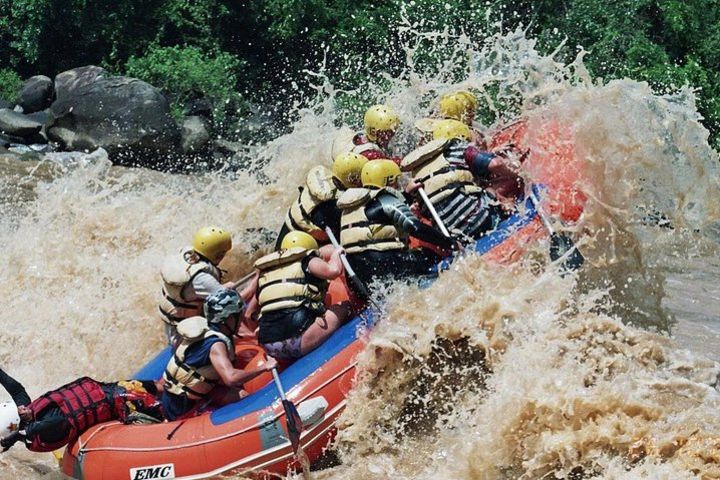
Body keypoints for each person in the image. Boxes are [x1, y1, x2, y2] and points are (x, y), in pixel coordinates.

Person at [161, 289, 276, 421]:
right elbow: (231, 378)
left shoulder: (208, 329)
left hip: (178, 396)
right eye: (238, 316)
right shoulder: (216, 345)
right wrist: (264, 367)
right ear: (228, 319)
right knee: (242, 395)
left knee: (231, 392)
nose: (240, 320)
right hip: (181, 407)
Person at [338, 159, 455, 285]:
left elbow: (380, 214)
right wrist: (450, 243)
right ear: (388, 181)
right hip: (387, 266)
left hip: (360, 282)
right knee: (428, 255)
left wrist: (407, 194)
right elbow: (416, 228)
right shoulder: (385, 198)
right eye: (396, 181)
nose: (397, 186)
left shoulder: (348, 209)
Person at [0, 368, 163, 453]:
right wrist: (22, 433)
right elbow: (58, 421)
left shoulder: (26, 412)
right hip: (118, 406)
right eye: (20, 412)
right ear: (20, 423)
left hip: (107, 389)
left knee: (158, 386)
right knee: (164, 409)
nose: (23, 407)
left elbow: (17, 391)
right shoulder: (42, 435)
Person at [252, 231, 351, 361]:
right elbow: (334, 271)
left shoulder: (267, 274)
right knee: (344, 308)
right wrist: (337, 253)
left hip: (270, 347)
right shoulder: (307, 260)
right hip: (298, 341)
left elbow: (251, 312)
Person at [403, 119, 506, 243]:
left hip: (455, 239)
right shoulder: (460, 150)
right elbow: (496, 165)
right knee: (495, 184)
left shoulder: (417, 172)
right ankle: (510, 206)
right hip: (483, 220)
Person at [158, 226, 235, 340]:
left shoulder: (185, 257)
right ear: (219, 255)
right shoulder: (202, 279)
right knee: (231, 295)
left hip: (173, 326)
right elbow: (230, 304)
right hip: (186, 333)